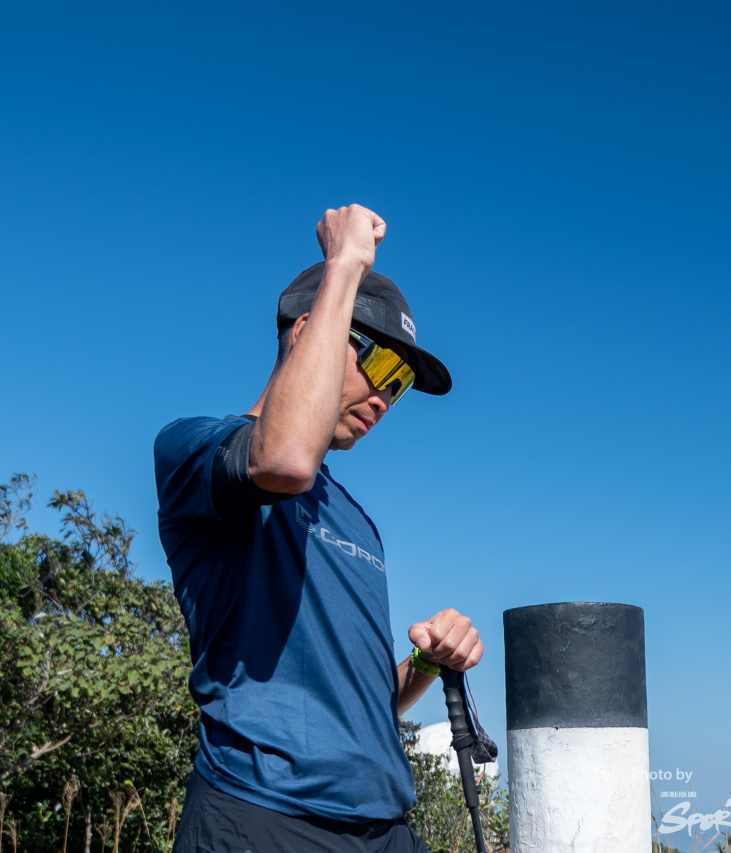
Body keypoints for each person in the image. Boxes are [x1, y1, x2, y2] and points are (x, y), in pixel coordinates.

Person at [153, 205, 484, 853]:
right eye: (382, 368)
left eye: (402, 385)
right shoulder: (197, 447)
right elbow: (281, 457)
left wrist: (425, 660)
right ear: (310, 331)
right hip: (264, 820)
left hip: (386, 830)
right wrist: (346, 265)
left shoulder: (358, 521)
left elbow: (362, 706)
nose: (387, 400)